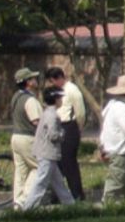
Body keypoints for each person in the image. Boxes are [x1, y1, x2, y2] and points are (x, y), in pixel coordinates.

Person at [18, 85, 75, 210]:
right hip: (47, 153)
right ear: (55, 99)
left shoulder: (47, 113)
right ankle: (28, 208)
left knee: (58, 182)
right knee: (41, 181)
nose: (61, 100)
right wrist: (63, 134)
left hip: (48, 153)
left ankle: (71, 205)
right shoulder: (52, 115)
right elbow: (53, 135)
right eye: (60, 98)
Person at [45, 66, 86, 199]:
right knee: (58, 163)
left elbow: (80, 112)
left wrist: (78, 128)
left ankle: (77, 194)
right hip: (57, 125)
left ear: (59, 78)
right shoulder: (56, 91)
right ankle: (58, 195)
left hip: (69, 126)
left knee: (69, 163)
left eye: (52, 81)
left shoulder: (72, 90)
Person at [6, 69, 41, 207]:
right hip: (28, 137)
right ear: (28, 82)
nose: (35, 80)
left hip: (16, 136)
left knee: (21, 170)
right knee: (39, 167)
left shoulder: (16, 97)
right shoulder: (30, 99)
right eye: (33, 78)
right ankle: (25, 199)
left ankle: (17, 199)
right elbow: (36, 121)